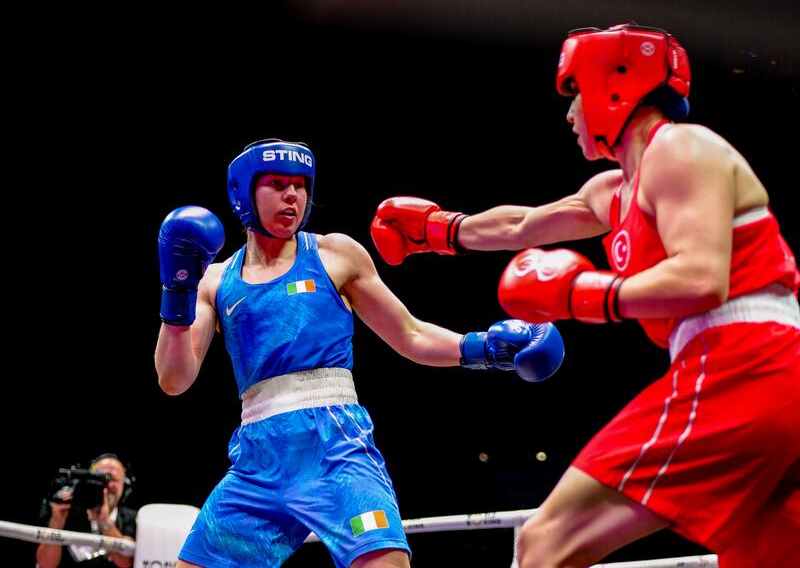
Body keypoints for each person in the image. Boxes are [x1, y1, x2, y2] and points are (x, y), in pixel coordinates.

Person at [370, 24, 800, 568]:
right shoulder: (615, 190)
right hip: (769, 379)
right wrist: (440, 230)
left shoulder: (682, 149)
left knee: (545, 541)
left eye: (575, 96)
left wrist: (578, 294)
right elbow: (524, 224)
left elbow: (701, 278)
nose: (570, 115)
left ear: (613, 84)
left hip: (743, 363)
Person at [153, 138, 565, 568]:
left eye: (300, 184)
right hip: (257, 457)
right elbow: (174, 379)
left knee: (386, 563)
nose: (292, 195)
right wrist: (176, 291)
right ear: (243, 193)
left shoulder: (334, 254)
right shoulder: (215, 281)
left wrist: (485, 348)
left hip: (335, 443)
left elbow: (410, 333)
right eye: (276, 183)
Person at [36, 454, 137, 568]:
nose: (106, 485)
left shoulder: (134, 520)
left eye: (112, 479)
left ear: (125, 484)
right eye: (99, 478)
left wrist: (104, 522)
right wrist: (56, 523)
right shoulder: (65, 512)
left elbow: (125, 562)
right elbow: (45, 565)